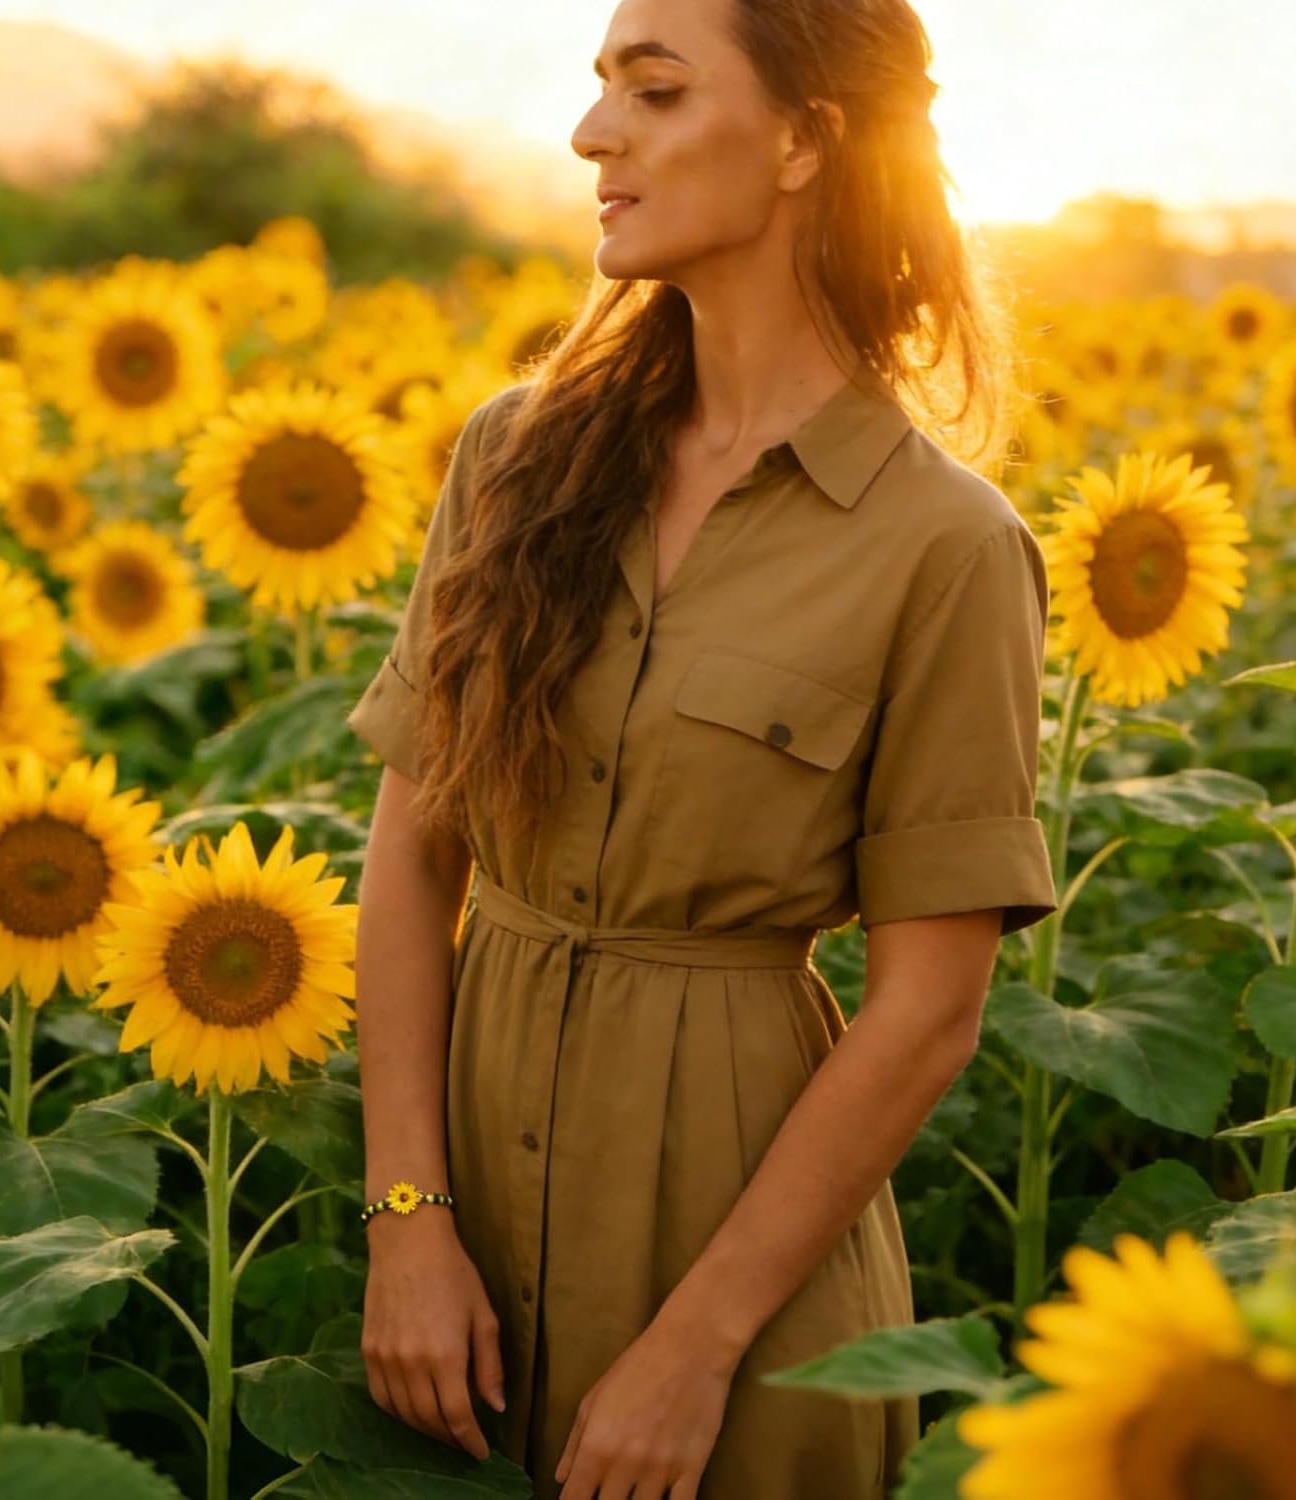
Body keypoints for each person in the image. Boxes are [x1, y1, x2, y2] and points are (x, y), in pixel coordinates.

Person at [347, 0, 1059, 1496]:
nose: (594, 134)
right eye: (602, 89)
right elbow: (414, 849)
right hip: (463, 1207)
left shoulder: (945, 547)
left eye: (655, 93)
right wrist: (405, 1215)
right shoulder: (513, 457)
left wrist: (697, 1346)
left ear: (806, 141)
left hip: (741, 1250)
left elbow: (928, 1009)